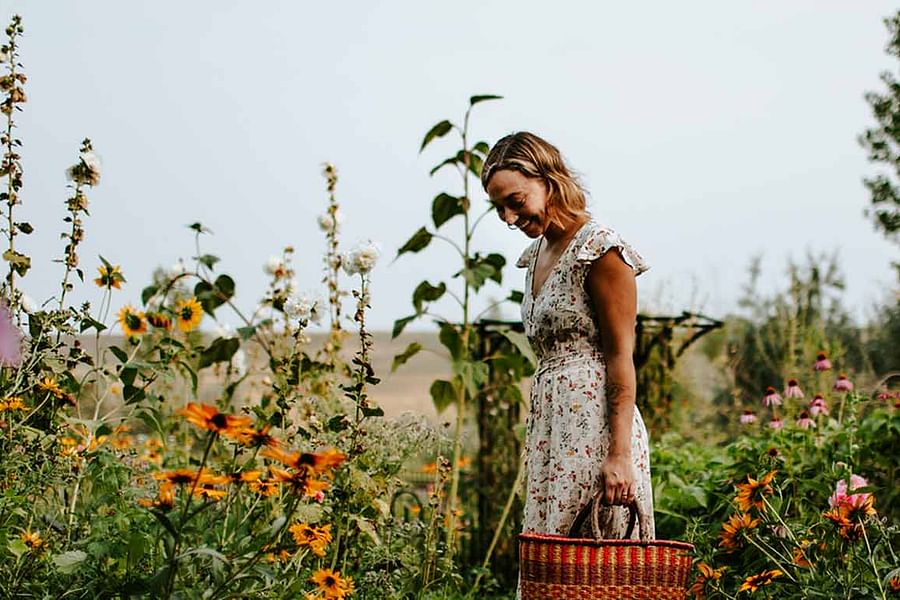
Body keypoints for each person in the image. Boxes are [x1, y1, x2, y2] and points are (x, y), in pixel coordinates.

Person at [481, 131, 655, 543]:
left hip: (596, 430)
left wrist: (619, 456)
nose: (508, 218)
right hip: (552, 431)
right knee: (553, 563)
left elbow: (620, 357)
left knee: (595, 564)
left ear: (549, 180)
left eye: (515, 201)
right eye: (498, 208)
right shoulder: (537, 255)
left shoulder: (600, 252)